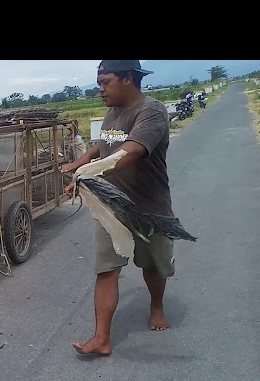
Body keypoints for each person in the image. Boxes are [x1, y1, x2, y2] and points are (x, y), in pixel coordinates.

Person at [60, 60, 174, 356]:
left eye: (105, 82)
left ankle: (157, 305)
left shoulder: (151, 112)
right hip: (110, 205)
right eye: (99, 83)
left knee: (154, 265)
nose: (100, 90)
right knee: (106, 270)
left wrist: (87, 173)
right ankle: (102, 338)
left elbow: (131, 150)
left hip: (149, 206)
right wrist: (80, 163)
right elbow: (104, 145)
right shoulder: (112, 112)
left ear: (127, 79)